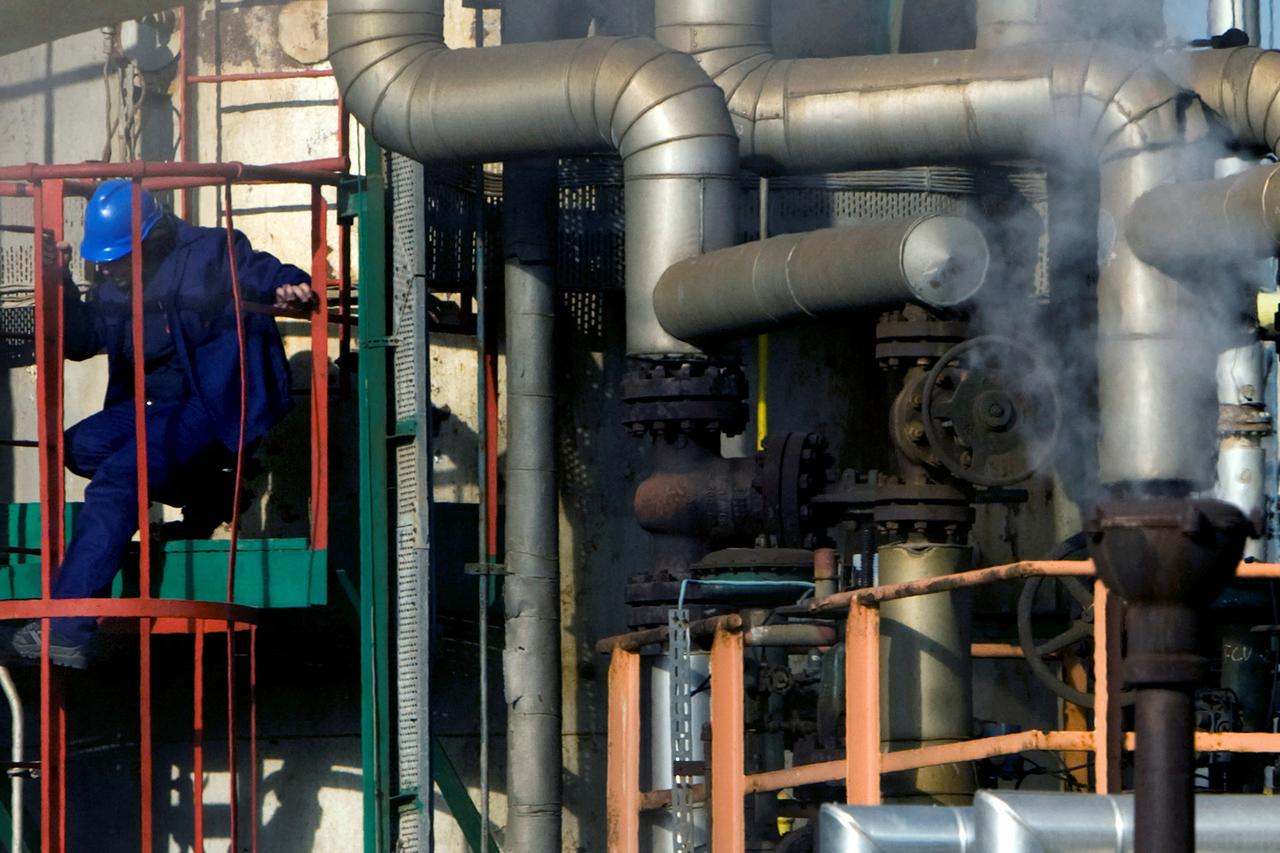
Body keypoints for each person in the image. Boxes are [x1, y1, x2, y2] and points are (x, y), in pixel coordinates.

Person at [12, 180, 315, 668]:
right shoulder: (114, 282)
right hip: (151, 408)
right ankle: (211, 492)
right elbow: (82, 339)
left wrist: (288, 282)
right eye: (104, 261)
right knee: (76, 447)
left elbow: (258, 271)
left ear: (150, 239)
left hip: (207, 403)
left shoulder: (210, 250)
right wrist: (62, 281)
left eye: (118, 257)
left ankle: (67, 626)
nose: (109, 269)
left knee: (120, 480)